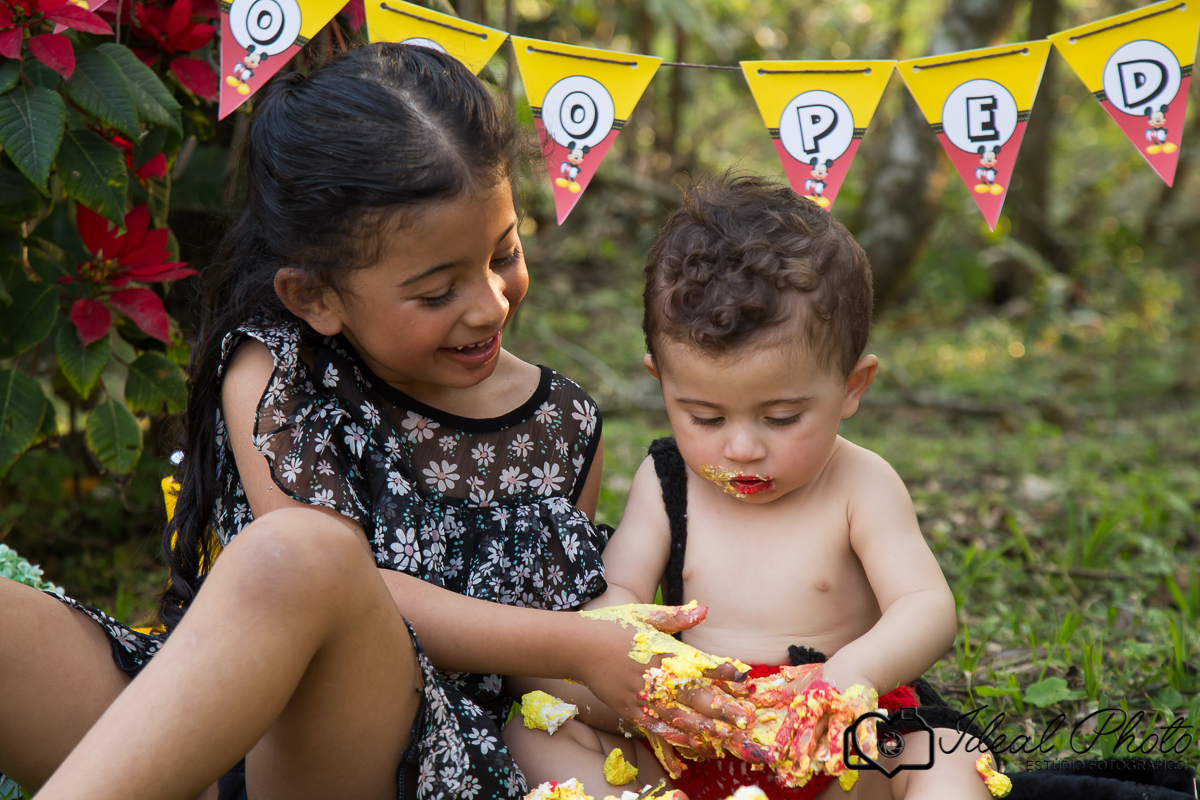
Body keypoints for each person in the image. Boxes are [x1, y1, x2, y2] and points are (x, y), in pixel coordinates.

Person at [0, 44, 737, 800]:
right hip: (217, 725)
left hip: (404, 764)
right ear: (315, 297)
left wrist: (624, 669)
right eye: (436, 292)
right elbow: (327, 584)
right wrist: (578, 646)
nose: (489, 305)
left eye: (504, 253)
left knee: (301, 553)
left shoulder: (559, 423)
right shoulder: (278, 370)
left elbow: (533, 678)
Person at [505, 174, 998, 800]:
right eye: (705, 418)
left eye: (782, 417)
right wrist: (644, 657)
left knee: (949, 759)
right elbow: (619, 590)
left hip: (829, 733)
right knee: (535, 726)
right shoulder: (667, 481)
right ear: (662, 383)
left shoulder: (860, 483)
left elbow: (926, 606)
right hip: (697, 726)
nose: (741, 448)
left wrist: (853, 672)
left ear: (851, 387)